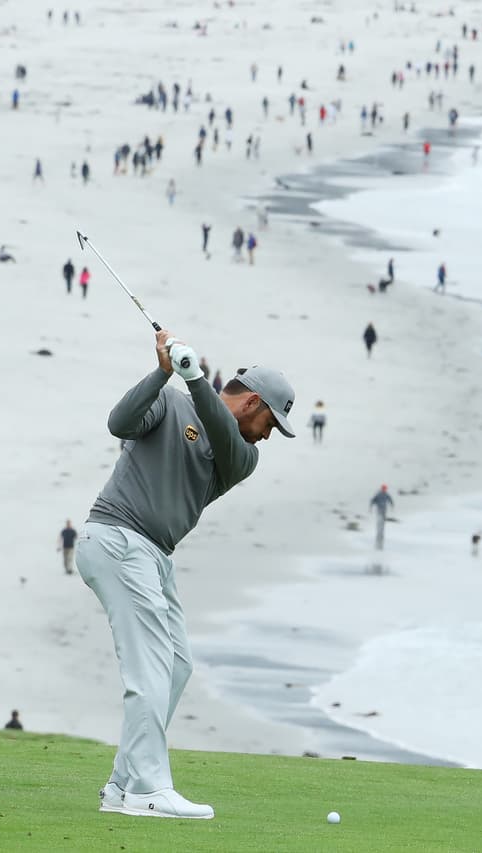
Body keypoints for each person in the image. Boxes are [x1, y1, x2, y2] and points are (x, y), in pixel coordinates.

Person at [76, 329, 295, 820]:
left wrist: (195, 379)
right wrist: (162, 373)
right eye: (269, 422)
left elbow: (218, 429)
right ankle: (148, 788)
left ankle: (123, 784)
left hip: (153, 556)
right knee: (150, 666)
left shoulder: (242, 456)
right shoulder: (171, 402)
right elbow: (120, 422)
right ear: (253, 402)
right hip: (116, 538)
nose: (266, 435)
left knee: (175, 664)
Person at [370, 485, 394, 550]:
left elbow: (390, 499)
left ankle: (381, 532)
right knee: (379, 521)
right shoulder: (378, 494)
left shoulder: (386, 494)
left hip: (384, 511)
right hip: (379, 510)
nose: (384, 490)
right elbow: (373, 500)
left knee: (382, 522)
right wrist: (371, 506)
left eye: (385, 489)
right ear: (382, 489)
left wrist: (392, 505)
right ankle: (379, 533)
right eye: (384, 489)